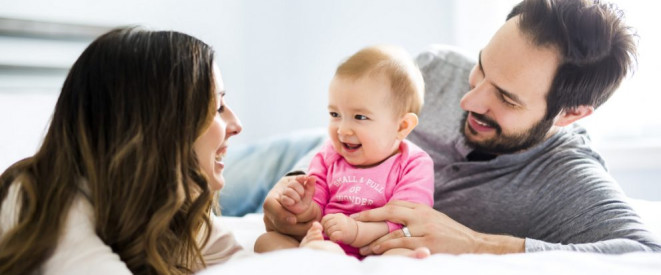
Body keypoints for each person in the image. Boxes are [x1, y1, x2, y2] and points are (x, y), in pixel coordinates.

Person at [261, 0, 661, 255]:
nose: (469, 101)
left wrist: (477, 243)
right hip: (314, 149)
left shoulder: (568, 181)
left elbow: (646, 254)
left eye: (506, 97)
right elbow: (340, 128)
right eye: (482, 66)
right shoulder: (436, 68)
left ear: (570, 114)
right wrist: (293, 187)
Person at [0, 27, 247, 274]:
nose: (237, 125)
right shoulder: (40, 199)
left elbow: (247, 264)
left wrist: (272, 242)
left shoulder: (160, 203)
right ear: (159, 125)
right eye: (218, 108)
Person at [253, 45, 434, 259]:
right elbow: (316, 207)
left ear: (402, 126)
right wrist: (302, 207)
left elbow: (406, 220)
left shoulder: (414, 163)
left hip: (376, 247)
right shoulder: (328, 154)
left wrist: (357, 232)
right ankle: (314, 257)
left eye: (360, 117)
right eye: (335, 114)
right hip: (326, 241)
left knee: (403, 251)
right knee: (265, 242)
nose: (342, 129)